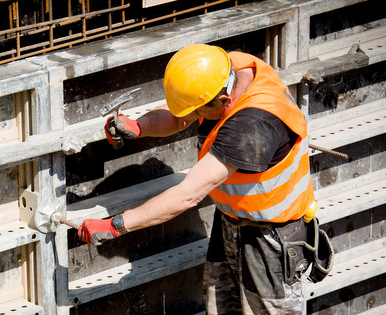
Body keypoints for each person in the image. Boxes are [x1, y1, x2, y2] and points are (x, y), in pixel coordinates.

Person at [78, 43, 323, 314]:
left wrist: (116, 226)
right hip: (232, 223)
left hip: (270, 241)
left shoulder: (251, 126)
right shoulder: (225, 70)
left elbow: (187, 195)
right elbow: (182, 114)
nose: (191, 118)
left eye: (197, 112)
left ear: (223, 102)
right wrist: (139, 126)